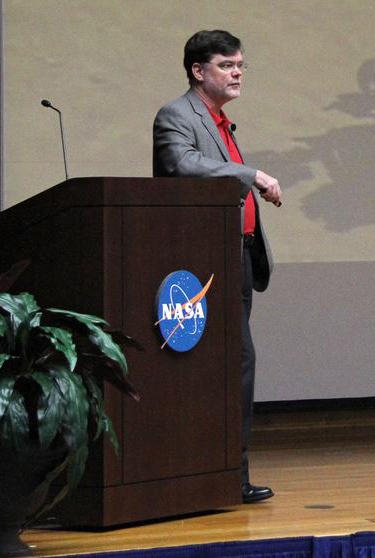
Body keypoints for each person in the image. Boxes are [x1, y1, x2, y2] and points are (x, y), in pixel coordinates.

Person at [153, 29, 282, 505]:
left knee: (235, 363)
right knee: (231, 363)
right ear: (197, 70)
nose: (237, 73)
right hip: (203, 261)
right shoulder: (177, 115)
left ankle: (230, 471)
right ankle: (223, 472)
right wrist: (253, 174)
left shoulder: (221, 121)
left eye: (241, 65)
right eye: (227, 65)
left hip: (238, 256)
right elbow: (181, 165)